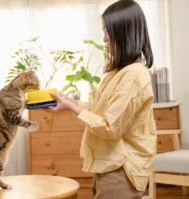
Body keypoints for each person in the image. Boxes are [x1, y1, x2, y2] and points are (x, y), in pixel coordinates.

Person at [49, 0, 157, 198]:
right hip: (110, 163)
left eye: (109, 31)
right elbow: (100, 109)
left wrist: (74, 109)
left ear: (124, 33)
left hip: (121, 168)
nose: (105, 39)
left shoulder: (134, 75)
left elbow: (110, 126)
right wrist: (68, 102)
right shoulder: (118, 72)